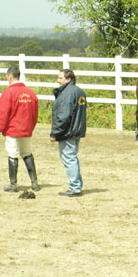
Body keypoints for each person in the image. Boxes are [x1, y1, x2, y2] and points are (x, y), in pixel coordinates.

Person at [0, 65, 40, 192]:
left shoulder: (8, 93)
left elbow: (2, 114)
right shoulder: (30, 93)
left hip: (13, 130)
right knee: (27, 153)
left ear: (10, 77)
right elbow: (35, 114)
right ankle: (34, 182)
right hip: (26, 129)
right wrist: (30, 127)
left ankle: (13, 184)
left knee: (12, 154)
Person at [50, 68, 87, 197]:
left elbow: (63, 116)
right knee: (71, 157)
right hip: (76, 130)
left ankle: (75, 187)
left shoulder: (67, 94)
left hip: (68, 131)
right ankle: (77, 185)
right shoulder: (80, 92)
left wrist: (54, 133)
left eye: (61, 78)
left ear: (68, 79)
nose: (58, 80)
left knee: (69, 158)